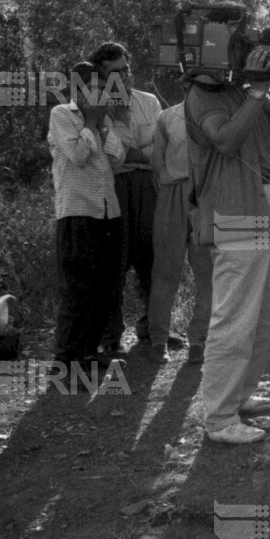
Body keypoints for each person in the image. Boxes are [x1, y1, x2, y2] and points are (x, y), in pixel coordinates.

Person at [185, 34, 270, 445]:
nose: (244, 55)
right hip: (234, 211)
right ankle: (219, 419)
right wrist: (257, 91)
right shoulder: (201, 97)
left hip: (268, 202)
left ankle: (238, 396)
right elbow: (226, 140)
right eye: (238, 48)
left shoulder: (242, 91)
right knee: (235, 315)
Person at [48, 62, 126, 370]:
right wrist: (91, 122)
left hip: (108, 211)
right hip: (77, 212)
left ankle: (89, 352)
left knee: (105, 285)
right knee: (77, 288)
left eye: (101, 88)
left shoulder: (104, 119)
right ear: (75, 89)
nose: (98, 94)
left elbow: (118, 160)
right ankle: (65, 360)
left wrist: (101, 124)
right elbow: (78, 156)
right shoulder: (61, 115)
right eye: (91, 87)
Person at [91, 42, 163, 357]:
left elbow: (161, 152)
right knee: (113, 262)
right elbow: (114, 157)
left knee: (151, 256)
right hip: (111, 185)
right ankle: (111, 339)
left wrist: (139, 154)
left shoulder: (149, 103)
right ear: (102, 78)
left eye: (127, 69)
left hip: (148, 186)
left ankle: (154, 328)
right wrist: (139, 151)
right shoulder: (96, 108)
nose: (124, 77)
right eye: (115, 73)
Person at [146, 85, 213, 366]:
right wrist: (172, 192)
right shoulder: (167, 117)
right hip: (173, 195)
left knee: (208, 274)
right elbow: (158, 163)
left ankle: (198, 340)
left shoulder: (216, 116)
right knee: (165, 270)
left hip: (207, 195)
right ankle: (159, 339)